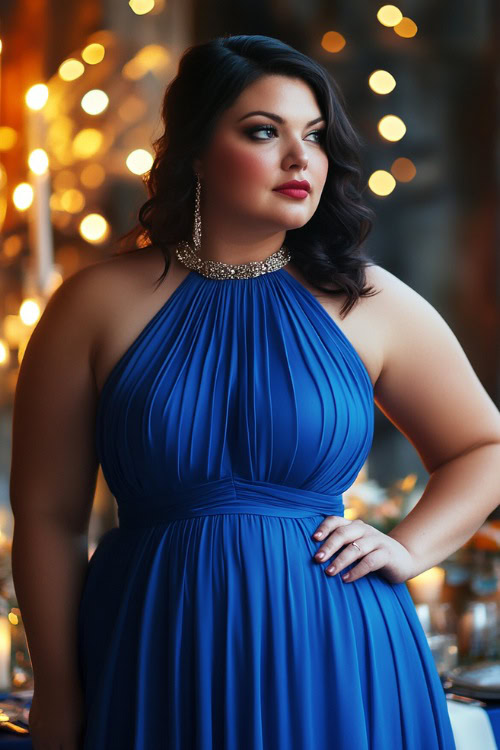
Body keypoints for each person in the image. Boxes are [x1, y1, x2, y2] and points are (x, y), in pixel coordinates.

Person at [9, 33, 500, 750]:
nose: (301, 159)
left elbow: (484, 446)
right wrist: (58, 693)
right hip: (156, 647)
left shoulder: (368, 301)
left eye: (316, 137)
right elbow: (49, 518)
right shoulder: (95, 304)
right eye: (264, 133)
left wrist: (409, 548)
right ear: (197, 154)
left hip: (340, 651)